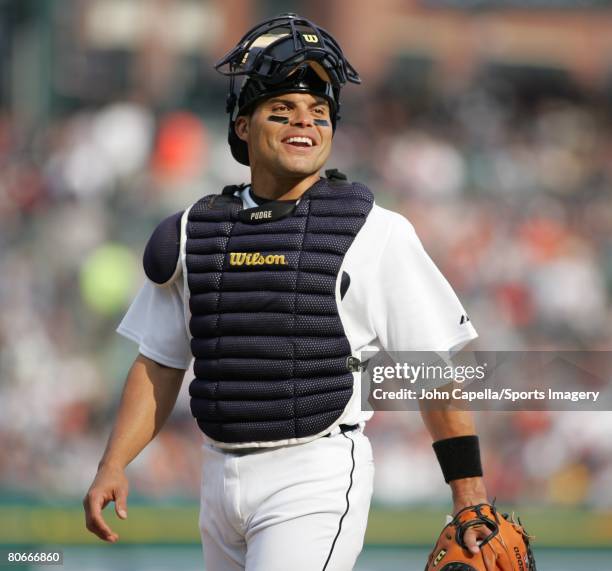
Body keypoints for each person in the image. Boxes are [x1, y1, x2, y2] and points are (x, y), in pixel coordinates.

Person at [83, 13, 490, 570]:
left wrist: (469, 493)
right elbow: (158, 361)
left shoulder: (375, 229)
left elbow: (432, 367)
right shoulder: (194, 231)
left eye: (318, 113)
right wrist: (113, 463)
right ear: (244, 127)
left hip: (314, 476)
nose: (304, 123)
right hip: (217, 477)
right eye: (283, 110)